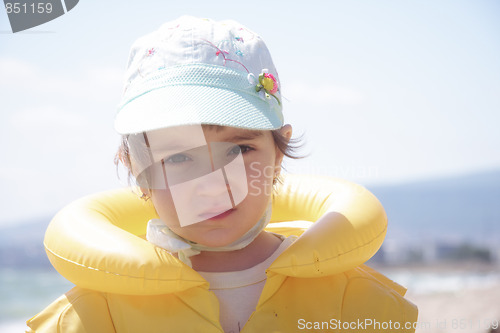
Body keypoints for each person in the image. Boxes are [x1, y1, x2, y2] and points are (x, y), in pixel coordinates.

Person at [27, 16, 418, 332]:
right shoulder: (95, 316)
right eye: (179, 158)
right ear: (137, 168)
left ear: (278, 153)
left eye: (240, 149)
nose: (213, 184)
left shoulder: (354, 303)